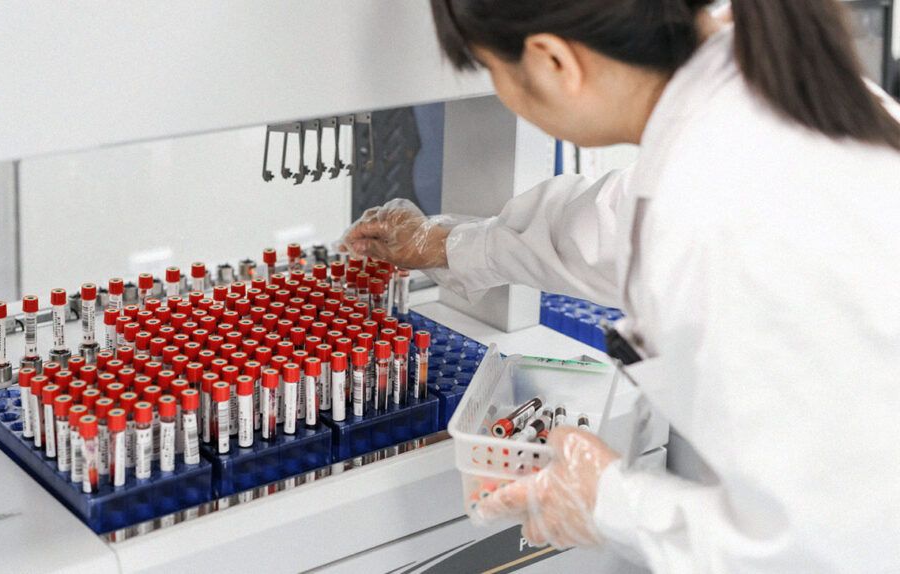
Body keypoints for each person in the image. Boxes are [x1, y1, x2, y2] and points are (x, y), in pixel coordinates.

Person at [341, 1, 900, 572]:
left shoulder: (726, 214)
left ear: (554, 61)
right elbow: (615, 225)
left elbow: (823, 546)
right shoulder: (743, 115)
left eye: (492, 71)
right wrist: (448, 244)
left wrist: (607, 501)